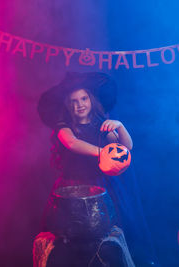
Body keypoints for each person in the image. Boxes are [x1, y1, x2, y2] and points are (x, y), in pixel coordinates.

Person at [37, 72, 159, 266]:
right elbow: (72, 143)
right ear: (68, 105)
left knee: (105, 240)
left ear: (91, 99)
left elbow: (126, 149)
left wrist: (119, 127)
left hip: (102, 188)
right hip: (71, 190)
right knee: (71, 243)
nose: (80, 104)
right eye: (74, 101)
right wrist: (103, 152)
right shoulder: (63, 127)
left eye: (84, 98)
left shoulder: (102, 126)